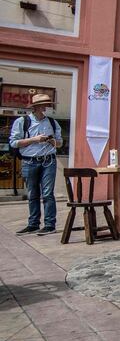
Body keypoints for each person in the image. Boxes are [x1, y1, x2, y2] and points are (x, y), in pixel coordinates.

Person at [9, 94, 63, 235]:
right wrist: (35, 139)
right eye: (44, 104)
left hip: (48, 160)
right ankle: (33, 224)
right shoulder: (22, 121)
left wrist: (52, 142)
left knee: (47, 193)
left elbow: (60, 142)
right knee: (32, 194)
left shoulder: (52, 122)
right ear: (36, 107)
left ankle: (50, 225)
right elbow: (14, 142)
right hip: (29, 161)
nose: (47, 106)